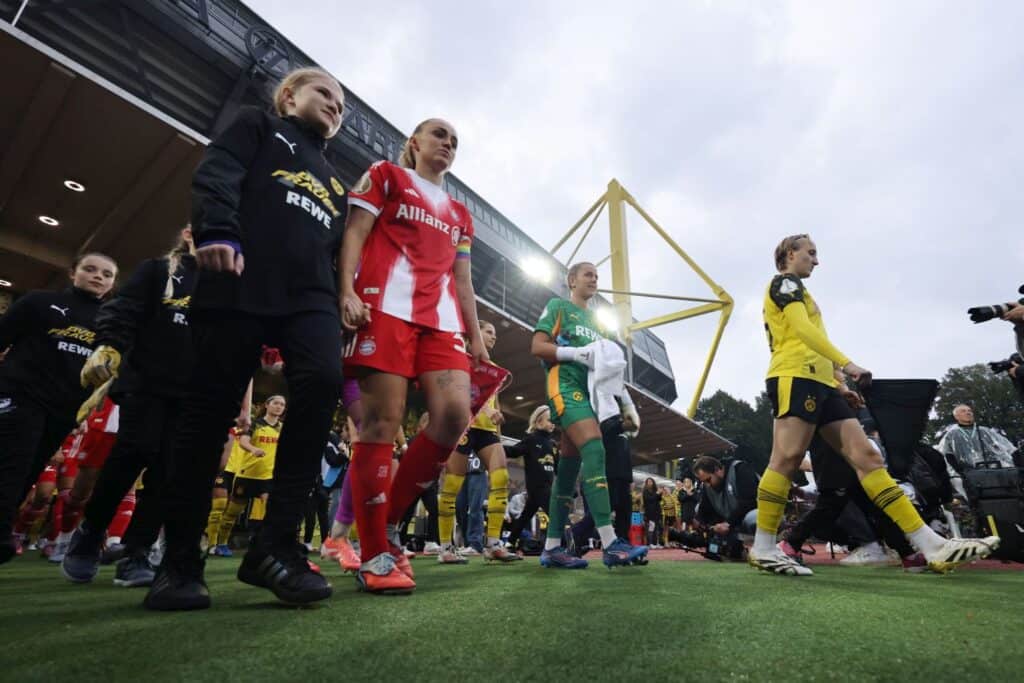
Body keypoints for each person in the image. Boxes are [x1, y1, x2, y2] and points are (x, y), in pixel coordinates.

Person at [144, 67, 347, 610]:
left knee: (324, 380)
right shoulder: (258, 126)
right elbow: (218, 172)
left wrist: (344, 298)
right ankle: (180, 561)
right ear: (289, 96)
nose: (335, 106)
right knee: (206, 412)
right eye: (324, 93)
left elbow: (336, 251)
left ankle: (274, 547)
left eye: (341, 104)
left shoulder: (335, 183)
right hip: (240, 274)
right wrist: (217, 229)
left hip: (311, 297)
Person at [750, 234, 997, 575]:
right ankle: (764, 548)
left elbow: (809, 339)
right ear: (790, 253)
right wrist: (849, 365)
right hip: (794, 377)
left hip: (822, 384)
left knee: (868, 457)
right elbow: (803, 331)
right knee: (787, 458)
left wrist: (838, 384)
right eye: (811, 253)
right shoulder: (785, 283)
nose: (816, 261)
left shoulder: (799, 289)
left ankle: (931, 545)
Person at [339, 117, 487, 594]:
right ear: (414, 143)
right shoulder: (385, 175)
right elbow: (355, 232)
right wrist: (346, 290)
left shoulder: (459, 213)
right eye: (439, 134)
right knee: (383, 422)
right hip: (384, 307)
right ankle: (374, 552)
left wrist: (475, 336)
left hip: (441, 320)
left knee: (454, 416)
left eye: (455, 141)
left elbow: (462, 278)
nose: (448, 143)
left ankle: (385, 525)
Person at [61, 229, 209, 587]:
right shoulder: (157, 271)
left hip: (193, 392)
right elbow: (122, 309)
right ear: (188, 233)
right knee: (134, 452)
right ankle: (92, 530)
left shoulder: (226, 285)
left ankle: (137, 550)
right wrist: (109, 344)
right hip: (146, 382)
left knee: (168, 471)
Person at [0, 252, 118, 564]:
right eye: (90, 269)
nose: (98, 276)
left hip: (65, 410)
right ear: (72, 272)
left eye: (106, 274)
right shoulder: (38, 302)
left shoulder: (113, 323)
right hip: (21, 395)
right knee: (13, 462)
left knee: (29, 469)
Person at [530, 261, 647, 569]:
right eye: (588, 275)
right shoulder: (558, 307)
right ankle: (610, 543)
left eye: (596, 276)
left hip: (590, 395)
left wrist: (628, 404)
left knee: (568, 470)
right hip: (565, 387)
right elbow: (537, 346)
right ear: (572, 281)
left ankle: (552, 548)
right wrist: (575, 353)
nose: (594, 279)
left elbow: (610, 369)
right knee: (595, 448)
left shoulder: (599, 324)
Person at [437, 320, 519, 563]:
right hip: (464, 425)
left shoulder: (494, 368)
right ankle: (445, 548)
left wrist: (498, 426)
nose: (494, 337)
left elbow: (495, 402)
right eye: (489, 331)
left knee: (501, 478)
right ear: (475, 333)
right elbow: (460, 394)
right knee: (452, 485)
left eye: (495, 333)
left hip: (487, 431)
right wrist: (486, 412)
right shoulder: (460, 359)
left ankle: (493, 544)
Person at [212, 395, 285, 555]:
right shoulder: (255, 424)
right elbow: (244, 442)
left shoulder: (282, 428)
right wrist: (253, 449)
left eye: (282, 404)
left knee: (271, 512)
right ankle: (221, 543)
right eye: (276, 403)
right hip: (247, 475)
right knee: (232, 513)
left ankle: (266, 545)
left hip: (268, 477)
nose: (279, 406)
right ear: (267, 405)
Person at [936, 404, 1017, 500]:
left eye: (969, 410)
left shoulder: (985, 431)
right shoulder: (952, 435)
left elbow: (1006, 448)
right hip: (968, 473)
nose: (968, 413)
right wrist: (961, 472)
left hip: (992, 470)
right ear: (956, 416)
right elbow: (948, 454)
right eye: (963, 411)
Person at [505, 405, 558, 551]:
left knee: (525, 517)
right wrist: (495, 447)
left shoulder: (553, 444)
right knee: (556, 515)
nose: (553, 423)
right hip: (536, 487)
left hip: (547, 486)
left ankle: (510, 542)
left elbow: (559, 468)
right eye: (550, 420)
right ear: (539, 422)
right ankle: (567, 545)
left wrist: (569, 489)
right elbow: (514, 451)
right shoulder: (531, 440)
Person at [641, 478, 662, 548]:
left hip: (656, 511)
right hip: (649, 512)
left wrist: (660, 493)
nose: (650, 483)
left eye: (651, 481)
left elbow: (659, 499)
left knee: (656, 527)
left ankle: (655, 543)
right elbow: (649, 499)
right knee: (650, 528)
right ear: (646, 483)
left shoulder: (655, 490)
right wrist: (656, 494)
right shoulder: (645, 491)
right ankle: (649, 543)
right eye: (648, 482)